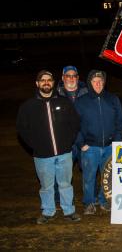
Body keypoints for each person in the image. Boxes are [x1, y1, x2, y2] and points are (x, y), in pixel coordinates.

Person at [16, 70, 81, 224]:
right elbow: (22, 129)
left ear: (53, 83)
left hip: (64, 153)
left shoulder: (64, 102)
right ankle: (48, 211)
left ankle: (69, 210)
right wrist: (35, 145)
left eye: (49, 80)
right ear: (37, 83)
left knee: (65, 183)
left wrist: (67, 142)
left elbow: (75, 123)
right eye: (42, 80)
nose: (46, 82)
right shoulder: (28, 106)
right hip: (42, 155)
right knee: (46, 186)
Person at [75, 69, 122, 215]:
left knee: (107, 176)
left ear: (104, 82)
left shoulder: (112, 99)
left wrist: (116, 141)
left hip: (109, 146)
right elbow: (74, 125)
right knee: (89, 177)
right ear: (89, 83)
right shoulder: (81, 102)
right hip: (90, 147)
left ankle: (104, 201)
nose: (98, 83)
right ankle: (89, 203)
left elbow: (120, 121)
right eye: (95, 81)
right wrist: (81, 143)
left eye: (101, 81)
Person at [53, 65, 88, 205]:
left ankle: (89, 199)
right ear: (63, 78)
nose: (71, 78)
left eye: (74, 76)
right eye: (68, 75)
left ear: (78, 78)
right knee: (62, 173)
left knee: (88, 170)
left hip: (84, 140)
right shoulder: (55, 94)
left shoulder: (87, 92)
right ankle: (59, 198)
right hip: (65, 141)